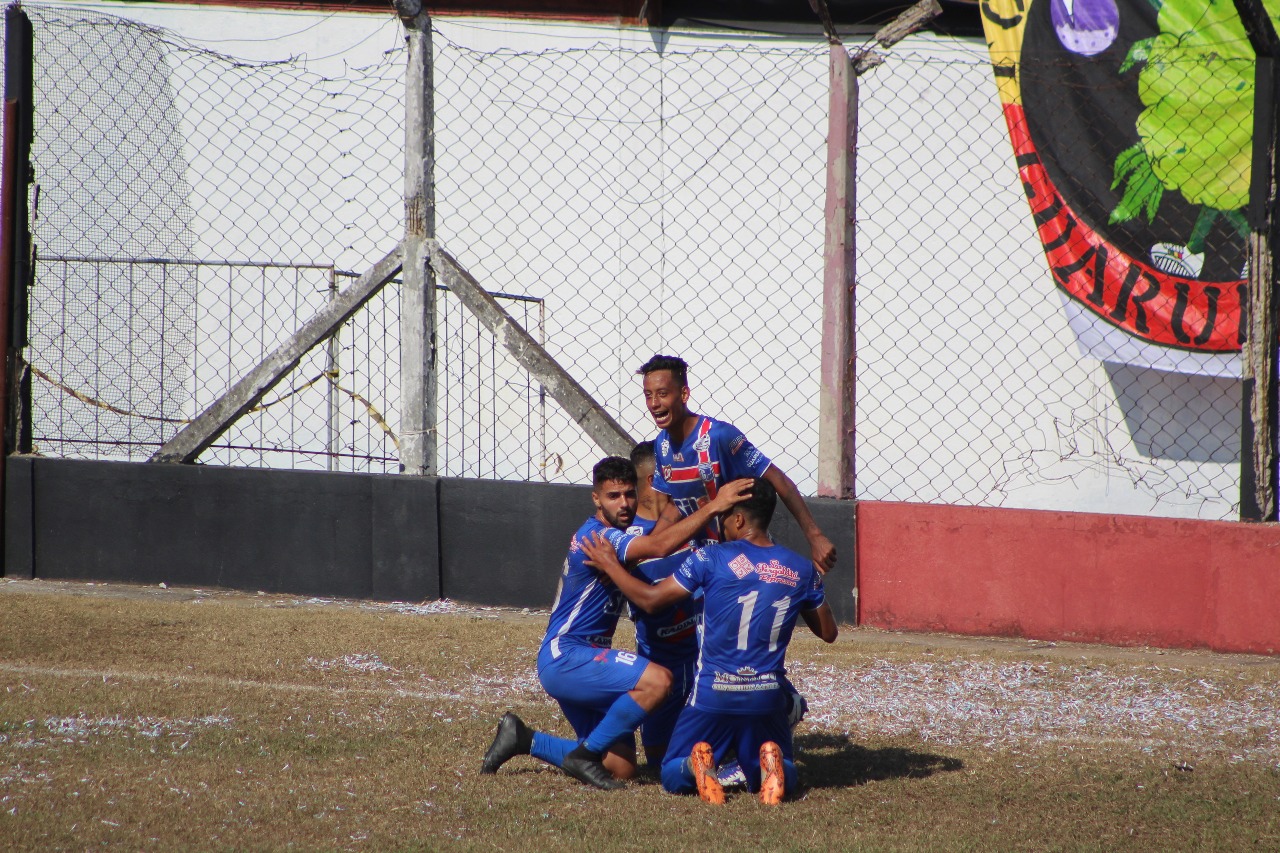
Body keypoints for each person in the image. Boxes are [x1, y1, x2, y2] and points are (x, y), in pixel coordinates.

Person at [480, 455, 752, 790]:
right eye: (613, 496)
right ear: (596, 498)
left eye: (629, 494)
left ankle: (524, 739)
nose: (623, 504)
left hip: (581, 660)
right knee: (657, 681)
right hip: (567, 656)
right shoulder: (601, 537)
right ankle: (584, 755)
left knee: (621, 768)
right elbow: (657, 545)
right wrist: (714, 506)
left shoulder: (609, 534)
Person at [581, 476, 837, 805]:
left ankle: (695, 764)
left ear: (739, 519)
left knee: (671, 772)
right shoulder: (801, 568)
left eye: (723, 518)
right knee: (784, 765)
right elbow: (828, 633)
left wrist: (612, 566)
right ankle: (772, 763)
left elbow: (651, 600)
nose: (720, 526)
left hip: (713, 692)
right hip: (765, 694)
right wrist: (814, 583)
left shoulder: (711, 558)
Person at [636, 354, 836, 573]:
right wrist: (647, 549)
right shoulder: (661, 445)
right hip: (704, 563)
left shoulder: (719, 436)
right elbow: (677, 503)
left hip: (743, 560)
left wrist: (815, 536)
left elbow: (779, 480)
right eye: (648, 395)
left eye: (662, 394)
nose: (654, 404)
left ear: (684, 394)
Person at [625, 440, 699, 766]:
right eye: (674, 469)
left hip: (705, 665)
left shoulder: (695, 518)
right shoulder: (626, 538)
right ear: (658, 476)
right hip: (660, 667)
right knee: (658, 762)